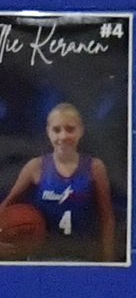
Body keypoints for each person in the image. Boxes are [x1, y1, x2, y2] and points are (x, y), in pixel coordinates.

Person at [3, 102, 115, 259]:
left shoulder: (95, 167)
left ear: (81, 131)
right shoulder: (35, 167)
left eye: (70, 129)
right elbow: (5, 207)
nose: (63, 136)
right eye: (56, 130)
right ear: (48, 132)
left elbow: (107, 218)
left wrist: (108, 262)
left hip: (83, 257)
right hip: (43, 258)